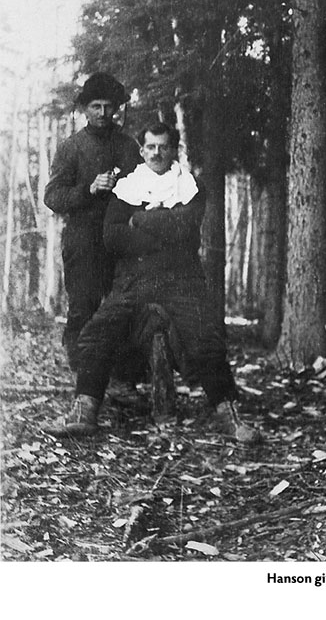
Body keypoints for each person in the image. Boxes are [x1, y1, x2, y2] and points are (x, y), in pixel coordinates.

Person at [47, 121, 261, 444]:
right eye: (150, 147)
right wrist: (158, 231)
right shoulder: (127, 187)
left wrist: (141, 219)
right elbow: (112, 237)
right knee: (95, 333)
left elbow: (186, 231)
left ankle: (229, 417)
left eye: (163, 146)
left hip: (181, 279)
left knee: (206, 339)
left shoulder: (190, 186)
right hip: (135, 279)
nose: (156, 153)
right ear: (142, 149)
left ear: (174, 149)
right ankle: (84, 411)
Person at [44, 72, 141, 372]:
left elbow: (144, 190)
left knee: (122, 307)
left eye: (108, 106)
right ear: (85, 109)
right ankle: (82, 379)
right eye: (96, 106)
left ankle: (123, 378)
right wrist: (88, 189)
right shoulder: (71, 147)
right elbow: (53, 197)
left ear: (116, 108)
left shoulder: (128, 147)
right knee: (83, 307)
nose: (103, 113)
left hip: (120, 239)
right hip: (83, 239)